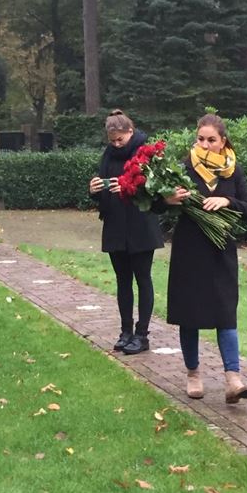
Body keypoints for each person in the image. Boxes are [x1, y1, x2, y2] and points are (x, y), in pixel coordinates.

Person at [161, 114, 247, 402]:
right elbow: (157, 205)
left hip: (221, 252)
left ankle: (233, 378)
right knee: (189, 315)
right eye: (201, 139)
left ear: (222, 141)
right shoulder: (184, 167)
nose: (205, 144)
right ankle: (193, 373)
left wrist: (228, 201)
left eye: (211, 140)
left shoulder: (233, 171)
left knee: (225, 314)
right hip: (189, 252)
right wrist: (167, 199)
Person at [89, 110, 165, 355]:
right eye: (112, 140)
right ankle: (126, 331)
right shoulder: (108, 155)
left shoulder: (145, 153)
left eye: (120, 139)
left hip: (141, 225)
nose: (116, 144)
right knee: (122, 281)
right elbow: (102, 188)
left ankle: (142, 335)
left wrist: (131, 186)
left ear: (130, 132)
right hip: (115, 225)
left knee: (142, 278)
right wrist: (94, 189)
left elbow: (155, 190)